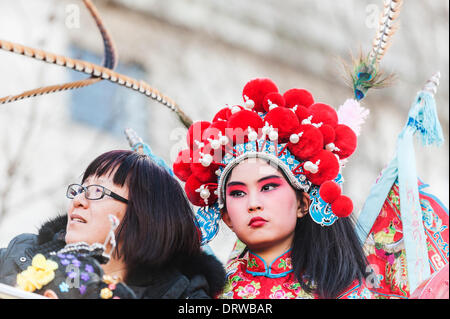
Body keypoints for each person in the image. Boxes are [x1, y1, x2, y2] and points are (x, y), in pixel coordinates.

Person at [173, 78, 373, 299]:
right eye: (238, 193)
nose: (253, 204)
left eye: (268, 187)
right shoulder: (207, 293)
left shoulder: (342, 292)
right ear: (227, 217)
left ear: (303, 204)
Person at [0, 150, 226, 299]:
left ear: (144, 213)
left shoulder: (183, 296)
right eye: (80, 189)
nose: (77, 201)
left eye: (97, 191)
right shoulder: (19, 254)